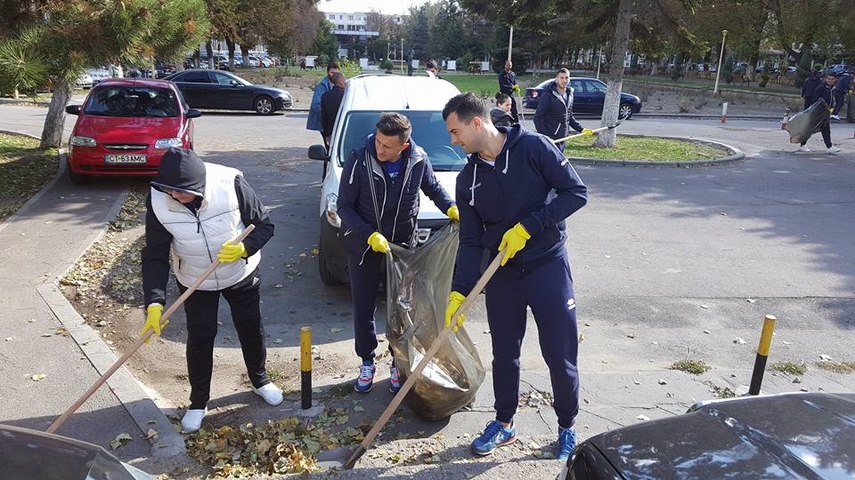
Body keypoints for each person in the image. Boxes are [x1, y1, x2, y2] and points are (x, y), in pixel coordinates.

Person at [442, 92, 588, 461]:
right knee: (504, 354)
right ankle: (504, 422)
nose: (453, 141)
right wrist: (459, 293)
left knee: (560, 353)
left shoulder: (534, 148)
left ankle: (567, 426)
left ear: (477, 123)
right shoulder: (467, 180)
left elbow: (576, 193)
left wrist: (530, 225)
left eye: (455, 132)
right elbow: (471, 242)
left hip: (547, 266)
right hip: (504, 274)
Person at [140, 148, 281, 433]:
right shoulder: (158, 200)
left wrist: (244, 248)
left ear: (198, 187)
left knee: (250, 327)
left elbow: (265, 226)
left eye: (180, 192)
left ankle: (260, 380)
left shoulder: (231, 184)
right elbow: (154, 254)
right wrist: (154, 303)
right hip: (195, 279)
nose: (173, 197)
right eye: (169, 191)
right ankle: (198, 402)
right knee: (201, 336)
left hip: (240, 271)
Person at [336, 112, 458, 394]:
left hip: (403, 249)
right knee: (364, 308)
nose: (379, 149)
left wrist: (451, 208)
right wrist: (369, 235)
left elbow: (433, 189)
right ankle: (367, 361)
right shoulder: (360, 159)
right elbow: (344, 207)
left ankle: (397, 362)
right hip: (365, 247)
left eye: (386, 146)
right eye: (377, 141)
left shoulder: (417, 159)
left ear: (403, 146)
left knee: (400, 310)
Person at [533, 68, 594, 154]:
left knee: (558, 165)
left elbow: (569, 116)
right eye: (561, 78)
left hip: (562, 138)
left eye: (566, 78)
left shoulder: (570, 95)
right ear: (556, 79)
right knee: (550, 166)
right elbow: (537, 118)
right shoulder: (548, 96)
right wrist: (546, 137)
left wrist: (581, 129)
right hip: (551, 140)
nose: (564, 80)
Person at [798, 73, 841, 154]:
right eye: (828, 79)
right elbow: (815, 101)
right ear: (825, 79)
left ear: (835, 80)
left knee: (825, 130)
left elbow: (831, 101)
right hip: (818, 113)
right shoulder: (821, 88)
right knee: (809, 129)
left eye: (832, 79)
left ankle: (829, 146)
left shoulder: (831, 89)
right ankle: (803, 145)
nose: (830, 80)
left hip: (825, 113)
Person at [306, 62, 341, 143]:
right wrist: (328, 113)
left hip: (333, 121)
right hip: (324, 123)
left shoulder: (338, 83)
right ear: (327, 72)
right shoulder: (322, 86)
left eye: (336, 73)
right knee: (329, 144)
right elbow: (315, 105)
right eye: (332, 72)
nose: (334, 75)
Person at [321, 72, 346, 150]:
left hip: (332, 132)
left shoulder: (325, 97)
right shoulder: (347, 95)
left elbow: (324, 118)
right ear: (341, 81)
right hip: (346, 130)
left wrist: (326, 135)